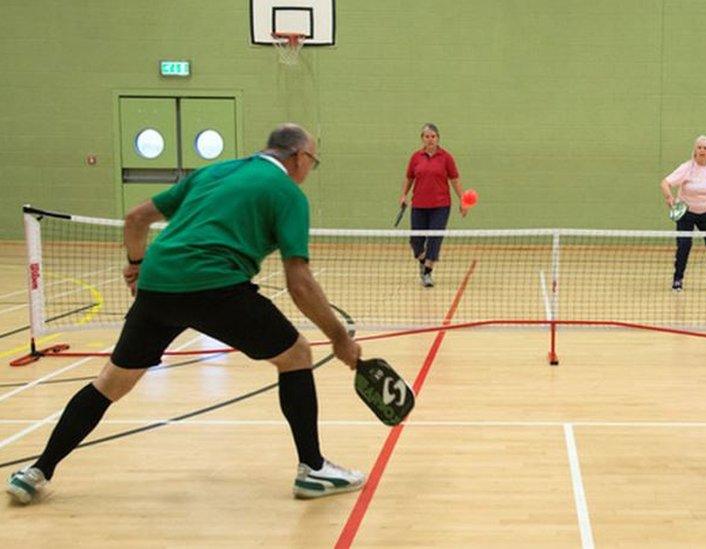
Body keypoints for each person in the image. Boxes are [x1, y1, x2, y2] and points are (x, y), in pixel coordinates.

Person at [7, 124, 366, 504]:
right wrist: (339, 337)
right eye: (313, 160)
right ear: (297, 157)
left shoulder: (214, 172)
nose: (311, 168)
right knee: (296, 355)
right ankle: (312, 469)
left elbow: (136, 219)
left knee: (111, 382)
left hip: (158, 286)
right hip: (216, 285)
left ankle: (37, 472)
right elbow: (301, 283)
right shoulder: (287, 193)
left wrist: (136, 265)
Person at [660, 135, 706, 292]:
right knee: (684, 246)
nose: (702, 150)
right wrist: (669, 197)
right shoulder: (687, 167)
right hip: (686, 212)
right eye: (699, 147)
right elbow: (665, 183)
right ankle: (678, 279)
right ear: (695, 149)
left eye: (705, 148)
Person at [399, 123, 468, 288]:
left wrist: (463, 200)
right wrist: (403, 195)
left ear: (438, 138)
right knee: (416, 241)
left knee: (435, 239)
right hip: (419, 205)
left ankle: (427, 273)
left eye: (433, 136)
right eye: (427, 136)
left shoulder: (446, 158)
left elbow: (455, 180)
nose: (430, 140)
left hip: (441, 205)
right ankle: (423, 260)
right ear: (422, 139)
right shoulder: (416, 157)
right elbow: (409, 178)